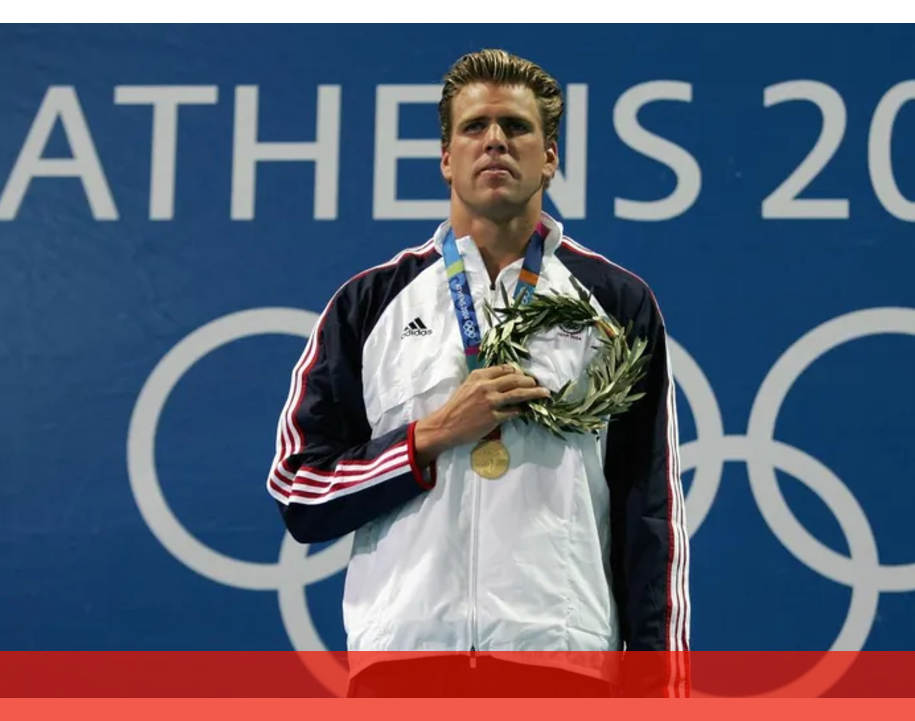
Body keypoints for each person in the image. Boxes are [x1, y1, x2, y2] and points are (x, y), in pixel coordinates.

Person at [264, 48, 689, 697]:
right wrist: (429, 437)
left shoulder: (616, 303)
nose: (495, 140)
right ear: (446, 157)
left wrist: (663, 692)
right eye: (474, 127)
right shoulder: (368, 305)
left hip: (560, 662)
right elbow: (301, 491)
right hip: (405, 666)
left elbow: (650, 513)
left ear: (549, 157)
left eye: (516, 127)